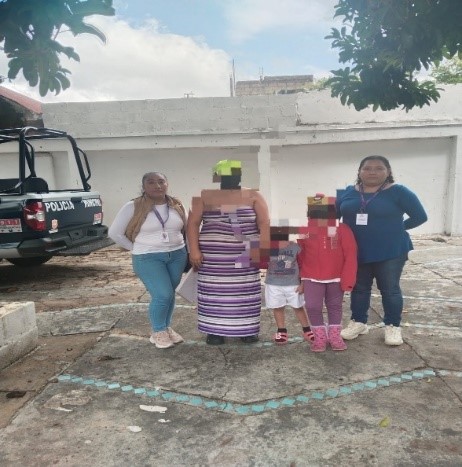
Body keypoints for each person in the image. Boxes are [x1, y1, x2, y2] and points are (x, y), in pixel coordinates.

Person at [337, 155, 428, 346]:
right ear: (359, 172)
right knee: (359, 288)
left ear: (388, 172)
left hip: (390, 251)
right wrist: (316, 207)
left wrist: (398, 229)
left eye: (379, 168)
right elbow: (330, 217)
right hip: (356, 251)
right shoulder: (346, 192)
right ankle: (359, 322)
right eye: (367, 168)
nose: (372, 172)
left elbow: (420, 216)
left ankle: (393, 326)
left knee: (389, 289)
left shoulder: (399, 192)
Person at [187, 160, 270, 345]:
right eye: (226, 174)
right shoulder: (203, 196)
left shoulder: (254, 195)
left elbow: (264, 223)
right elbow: (192, 223)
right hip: (213, 258)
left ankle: (247, 330)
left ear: (240, 174)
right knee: (214, 293)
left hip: (245, 256)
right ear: (217, 177)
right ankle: (214, 331)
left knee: (245, 292)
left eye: (235, 173)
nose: (231, 177)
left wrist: (263, 250)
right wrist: (194, 251)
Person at [108, 172, 188, 349]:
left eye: (161, 181)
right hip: (148, 257)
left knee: (169, 294)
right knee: (162, 294)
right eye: (151, 182)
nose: (157, 186)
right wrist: (136, 248)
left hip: (177, 255)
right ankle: (158, 331)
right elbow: (114, 233)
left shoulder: (176, 204)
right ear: (144, 186)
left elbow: (186, 228)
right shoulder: (133, 206)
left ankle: (166, 328)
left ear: (167, 184)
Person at [298, 194, 358, 352]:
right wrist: (300, 279)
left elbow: (350, 255)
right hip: (311, 276)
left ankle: (335, 336)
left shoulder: (342, 229)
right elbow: (301, 255)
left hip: (336, 277)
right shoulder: (304, 230)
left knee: (335, 306)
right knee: (312, 307)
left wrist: (348, 279)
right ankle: (320, 337)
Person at [265, 227, 313, 345]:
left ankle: (307, 330)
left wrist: (302, 283)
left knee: (298, 307)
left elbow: (303, 265)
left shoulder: (296, 247)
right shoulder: (268, 247)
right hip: (273, 284)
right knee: (278, 307)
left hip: (293, 284)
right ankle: (281, 331)